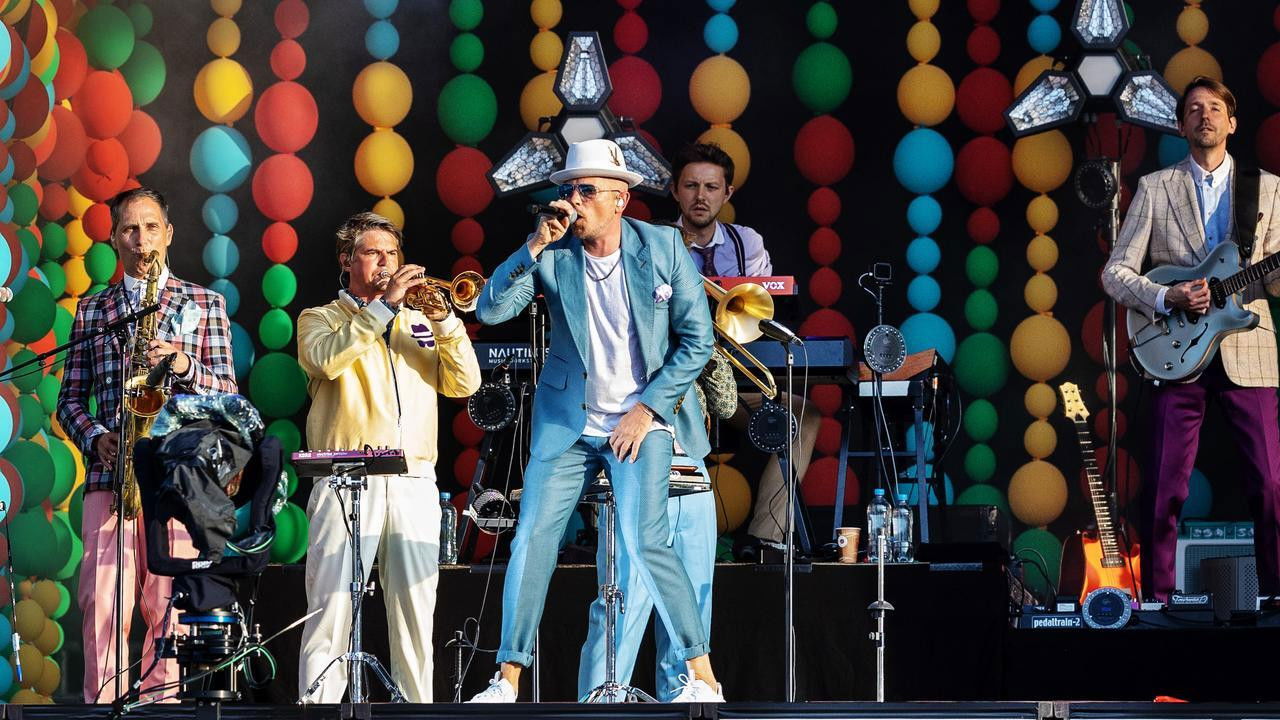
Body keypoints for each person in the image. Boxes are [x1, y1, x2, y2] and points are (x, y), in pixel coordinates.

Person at [467, 138, 724, 703]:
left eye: (587, 190)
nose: (573, 200)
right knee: (532, 539)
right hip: (570, 423)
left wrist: (647, 410)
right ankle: (506, 679)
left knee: (647, 540)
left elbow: (697, 342)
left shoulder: (662, 246)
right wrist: (535, 244)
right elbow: (489, 310)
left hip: (641, 421)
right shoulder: (553, 252)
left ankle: (703, 678)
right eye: (568, 189)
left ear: (620, 198)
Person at [1101, 76, 1280, 603]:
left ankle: (1276, 601)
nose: (1205, 115)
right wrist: (1167, 297)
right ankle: (1157, 604)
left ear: (1233, 122)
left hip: (1249, 351)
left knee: (1271, 486)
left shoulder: (1268, 189)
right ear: (1181, 126)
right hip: (1175, 351)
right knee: (1163, 488)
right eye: (1195, 109)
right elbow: (1115, 273)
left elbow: (1273, 282)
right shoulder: (1156, 187)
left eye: (1215, 107)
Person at [57, 186, 237, 702]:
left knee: (169, 606)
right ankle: (103, 708)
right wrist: (97, 437)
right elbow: (69, 401)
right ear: (115, 238)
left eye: (151, 227)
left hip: (178, 478)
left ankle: (165, 707)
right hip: (111, 476)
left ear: (169, 234)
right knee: (102, 605)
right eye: (130, 229)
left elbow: (227, 393)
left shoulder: (205, 303)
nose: (142, 239)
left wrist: (183, 363)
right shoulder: (95, 309)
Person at [295, 212, 481, 703]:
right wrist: (382, 308)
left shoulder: (419, 322)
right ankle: (318, 711)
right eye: (373, 252)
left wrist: (445, 321)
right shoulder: (320, 318)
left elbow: (465, 384)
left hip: (414, 478)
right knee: (331, 609)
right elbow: (326, 360)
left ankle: (417, 714)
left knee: (416, 614)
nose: (385, 262)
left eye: (392, 253)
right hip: (346, 477)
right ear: (346, 260)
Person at [672, 141, 820, 557]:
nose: (701, 197)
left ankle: (767, 537)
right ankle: (677, 542)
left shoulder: (747, 243)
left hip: (733, 383)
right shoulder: (656, 241)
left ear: (727, 193)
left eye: (711, 187)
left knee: (804, 415)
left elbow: (759, 313)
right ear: (675, 191)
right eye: (691, 186)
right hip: (675, 384)